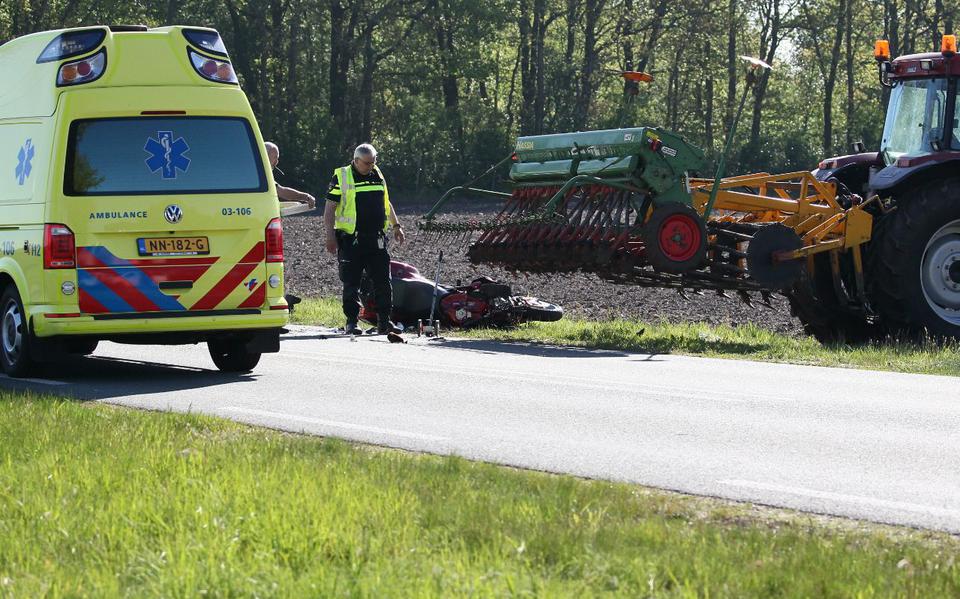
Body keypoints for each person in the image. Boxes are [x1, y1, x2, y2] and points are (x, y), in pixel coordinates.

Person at [324, 143, 405, 335]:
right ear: (356, 160)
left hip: (376, 239)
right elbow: (329, 208)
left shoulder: (377, 174)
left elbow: (386, 202)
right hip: (352, 240)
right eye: (367, 163)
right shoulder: (342, 176)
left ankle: (384, 322)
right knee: (351, 282)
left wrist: (396, 226)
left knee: (383, 281)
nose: (370, 166)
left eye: (373, 162)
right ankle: (352, 321)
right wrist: (329, 235)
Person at [265, 141, 315, 208]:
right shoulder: (260, 175)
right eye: (275, 157)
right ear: (265, 156)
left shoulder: (254, 171)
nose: (276, 162)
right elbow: (281, 192)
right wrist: (306, 197)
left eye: (277, 158)